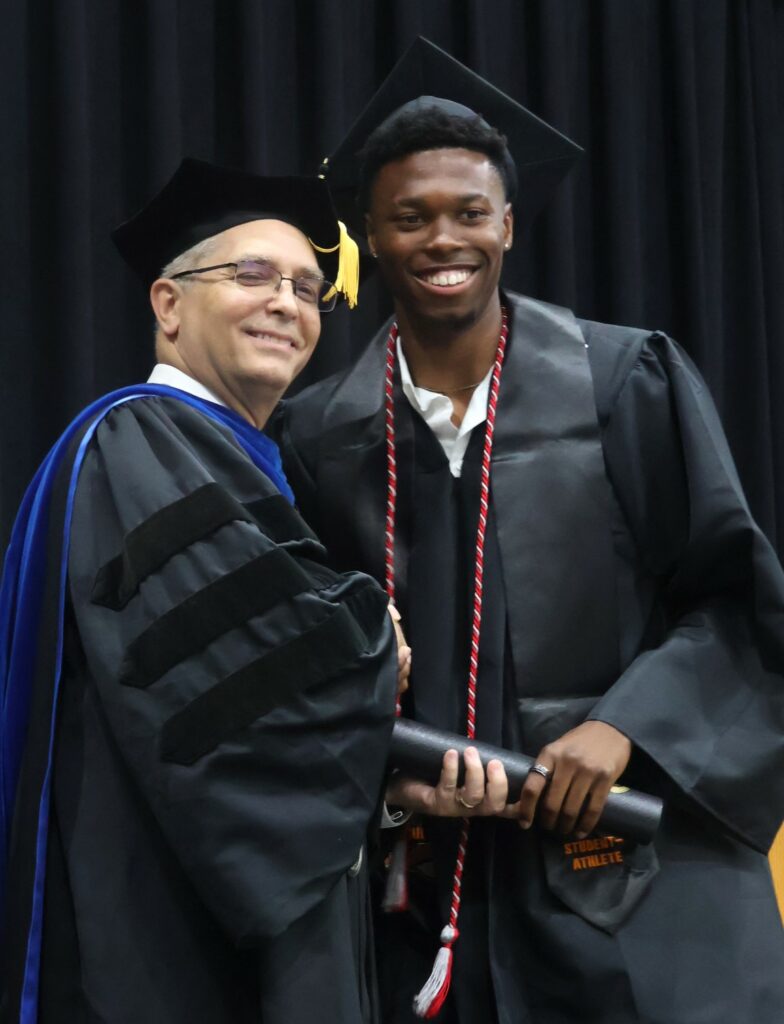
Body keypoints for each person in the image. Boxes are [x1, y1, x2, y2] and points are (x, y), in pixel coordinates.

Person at [275, 39, 784, 1024]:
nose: (442, 239)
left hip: (638, 883)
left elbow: (734, 598)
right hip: (436, 903)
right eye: (409, 217)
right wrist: (395, 788)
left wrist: (624, 723)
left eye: (469, 212)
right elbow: (315, 672)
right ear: (369, 237)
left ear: (508, 223)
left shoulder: (620, 383)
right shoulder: (321, 436)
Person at [0, 158, 406, 1024]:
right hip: (153, 919)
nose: (287, 303)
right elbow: (251, 695)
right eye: (251, 274)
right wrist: (376, 645)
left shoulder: (238, 459)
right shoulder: (137, 441)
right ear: (168, 304)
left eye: (306, 286)